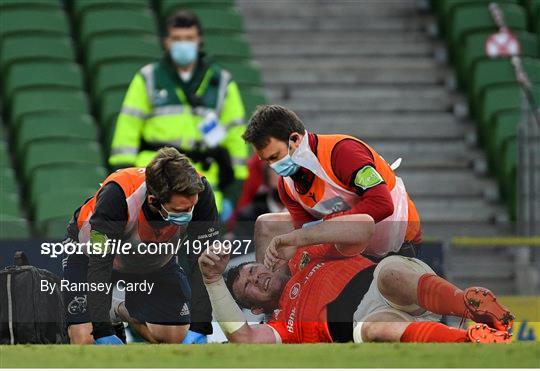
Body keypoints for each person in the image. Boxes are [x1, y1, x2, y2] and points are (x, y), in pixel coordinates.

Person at [198, 215, 514, 344]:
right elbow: (246, 339)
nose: (259, 278)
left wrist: (299, 237)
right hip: (366, 318)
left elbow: (363, 224)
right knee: (378, 328)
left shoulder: (307, 257)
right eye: (250, 286)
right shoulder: (284, 326)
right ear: (255, 309)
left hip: (383, 280)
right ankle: (471, 340)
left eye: (255, 270)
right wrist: (212, 281)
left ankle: (471, 305)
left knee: (390, 273)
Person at [62, 147, 218, 344]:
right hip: (91, 255)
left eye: (191, 207)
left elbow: (202, 263)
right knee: (86, 340)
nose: (189, 213)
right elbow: (99, 265)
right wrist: (102, 330)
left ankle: (122, 308)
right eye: (180, 210)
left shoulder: (201, 192)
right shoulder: (117, 196)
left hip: (154, 257)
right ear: (154, 201)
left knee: (175, 337)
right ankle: (107, 312)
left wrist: (200, 326)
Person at [242, 105, 422, 262]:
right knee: (268, 224)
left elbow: (382, 205)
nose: (273, 166)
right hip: (352, 252)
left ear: (295, 139)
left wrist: (325, 225)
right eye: (267, 161)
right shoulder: (286, 186)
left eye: (275, 157)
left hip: (400, 242)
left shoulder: (342, 152)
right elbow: (307, 235)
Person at [108, 10, 248, 211]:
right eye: (177, 39)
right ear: (166, 42)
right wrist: (122, 179)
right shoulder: (148, 78)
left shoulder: (222, 82)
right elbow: (127, 129)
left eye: (189, 38)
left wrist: (235, 187)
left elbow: (235, 135)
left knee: (202, 242)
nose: (183, 44)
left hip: (203, 183)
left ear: (199, 40)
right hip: (155, 178)